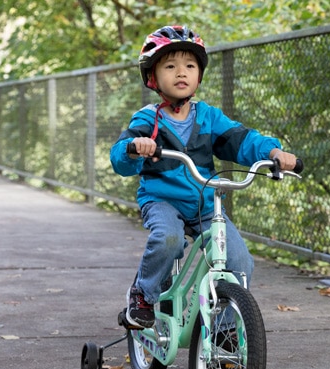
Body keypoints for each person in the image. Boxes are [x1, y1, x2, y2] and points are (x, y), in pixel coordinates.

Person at [110, 25, 298, 329]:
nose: (180, 72)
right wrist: (134, 149)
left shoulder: (209, 117)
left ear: (199, 75)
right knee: (168, 240)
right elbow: (120, 157)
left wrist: (274, 153)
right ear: (153, 77)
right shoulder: (147, 119)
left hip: (204, 201)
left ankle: (223, 332)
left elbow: (242, 140)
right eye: (170, 66)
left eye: (189, 65)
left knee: (239, 261)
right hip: (162, 200)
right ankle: (143, 295)